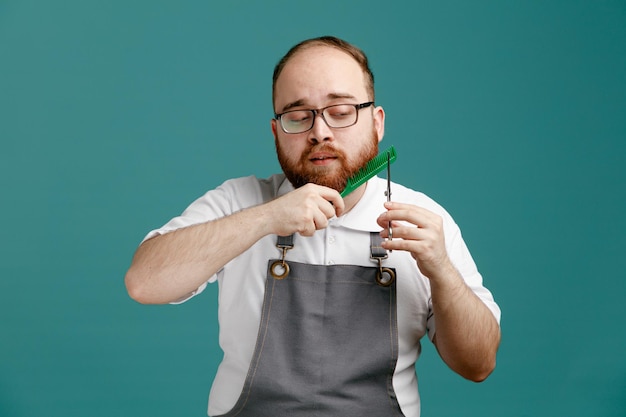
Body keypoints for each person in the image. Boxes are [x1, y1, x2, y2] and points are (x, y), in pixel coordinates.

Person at [125, 35, 501, 417]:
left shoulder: (423, 220)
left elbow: (479, 364)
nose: (319, 131)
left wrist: (441, 270)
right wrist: (267, 217)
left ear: (377, 122)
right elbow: (143, 282)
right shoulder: (238, 202)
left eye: (340, 111)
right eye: (298, 115)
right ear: (276, 132)